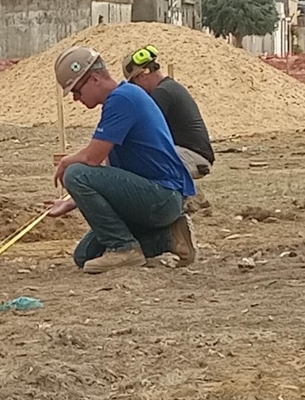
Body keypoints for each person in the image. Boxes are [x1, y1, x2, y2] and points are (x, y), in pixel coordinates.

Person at [47, 45, 197, 273]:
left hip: (161, 196)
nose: (76, 99)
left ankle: (123, 249)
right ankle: (169, 238)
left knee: (75, 173)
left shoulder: (123, 99)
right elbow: (108, 174)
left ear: (94, 78)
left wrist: (67, 161)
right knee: (85, 256)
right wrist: (70, 203)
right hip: (151, 198)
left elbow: (92, 158)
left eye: (77, 91)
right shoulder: (120, 99)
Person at [122, 45, 215, 180]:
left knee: (140, 161)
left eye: (134, 85)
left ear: (141, 76)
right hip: (192, 154)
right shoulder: (168, 87)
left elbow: (143, 131)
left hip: (192, 157)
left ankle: (189, 197)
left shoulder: (161, 93)